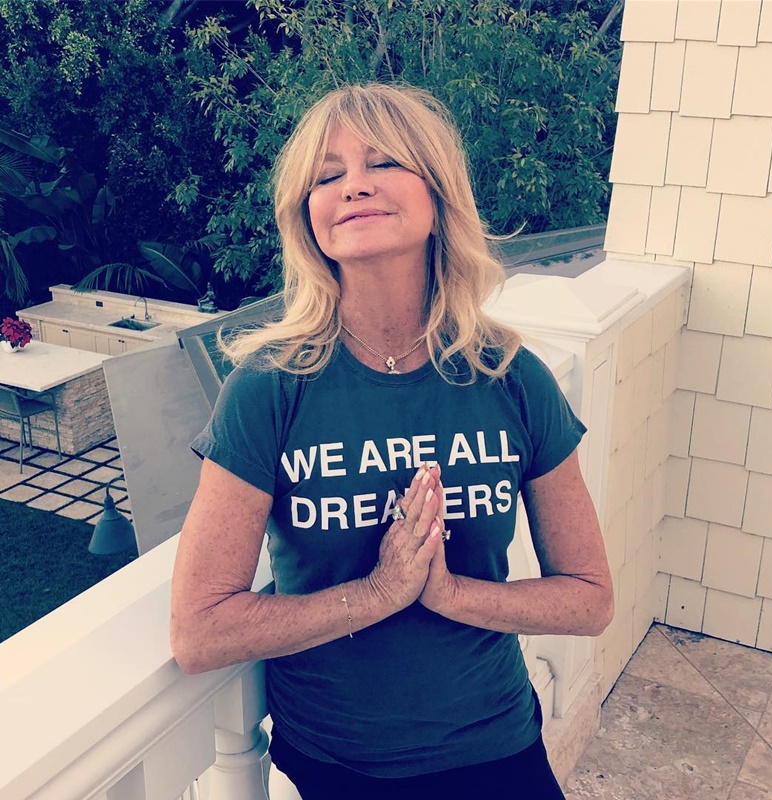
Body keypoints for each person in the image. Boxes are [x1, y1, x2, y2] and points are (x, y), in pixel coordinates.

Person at [170, 83, 614, 799]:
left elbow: (589, 599)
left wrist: (449, 593)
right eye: (327, 176)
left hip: (497, 742)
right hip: (340, 765)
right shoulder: (268, 389)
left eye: (382, 163)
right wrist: (378, 593)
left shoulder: (511, 378)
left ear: (438, 196)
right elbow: (201, 633)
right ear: (307, 216)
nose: (353, 186)